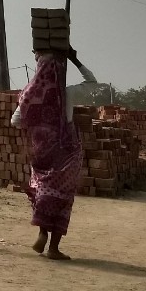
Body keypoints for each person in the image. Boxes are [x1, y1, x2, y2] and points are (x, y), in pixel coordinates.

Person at [11, 49, 96, 261]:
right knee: (63, 199)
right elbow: (93, 83)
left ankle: (42, 232)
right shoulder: (66, 93)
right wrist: (74, 58)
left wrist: (35, 124)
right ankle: (54, 248)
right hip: (66, 153)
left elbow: (15, 121)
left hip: (41, 152)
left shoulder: (29, 93)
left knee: (43, 193)